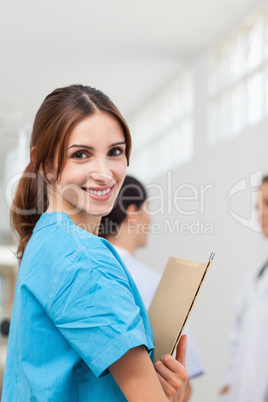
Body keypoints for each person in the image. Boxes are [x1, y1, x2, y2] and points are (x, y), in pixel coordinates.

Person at [2, 85, 189, 401]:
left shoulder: (44, 239)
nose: (104, 173)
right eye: (80, 154)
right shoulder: (82, 256)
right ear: (44, 164)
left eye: (115, 152)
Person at [99, 175, 205, 402]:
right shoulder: (152, 284)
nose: (150, 219)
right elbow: (181, 386)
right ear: (132, 211)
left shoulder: (85, 272)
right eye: (146, 209)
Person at [218, 175, 268, 402]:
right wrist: (228, 386)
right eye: (258, 206)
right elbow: (237, 346)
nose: (260, 214)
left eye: (267, 204)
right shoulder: (254, 282)